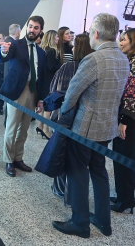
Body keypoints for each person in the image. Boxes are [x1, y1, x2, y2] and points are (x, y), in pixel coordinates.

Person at [52, 13, 129, 238]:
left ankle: (80, 223)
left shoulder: (93, 59)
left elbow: (72, 95)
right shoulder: (123, 58)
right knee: (99, 171)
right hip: (107, 127)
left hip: (84, 128)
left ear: (95, 33)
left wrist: (62, 113)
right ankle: (103, 221)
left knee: (77, 172)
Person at [0, 16, 46, 177]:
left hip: (33, 92)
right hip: (17, 91)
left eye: (36, 27)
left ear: (40, 30)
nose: (32, 30)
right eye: (30, 26)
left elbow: (43, 76)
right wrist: (3, 51)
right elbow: (4, 56)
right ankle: (8, 160)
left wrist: (41, 99)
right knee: (12, 127)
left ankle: (18, 158)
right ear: (27, 28)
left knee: (24, 128)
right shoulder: (16, 45)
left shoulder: (41, 52)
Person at [49, 34, 94, 199]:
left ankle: (60, 188)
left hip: (65, 117)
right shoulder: (92, 68)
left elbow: (54, 89)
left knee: (61, 152)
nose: (72, 48)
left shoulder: (68, 67)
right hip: (86, 120)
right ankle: (72, 192)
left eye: (75, 45)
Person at [110, 28, 135, 214]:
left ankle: (125, 200)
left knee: (122, 158)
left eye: (124, 39)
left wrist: (124, 120)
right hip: (126, 116)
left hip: (128, 119)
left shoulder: (133, 63)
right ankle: (123, 196)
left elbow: (130, 94)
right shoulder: (128, 60)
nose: (121, 42)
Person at [37, 30, 60, 139]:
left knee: (43, 104)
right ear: (52, 38)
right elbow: (51, 67)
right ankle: (46, 130)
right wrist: (61, 66)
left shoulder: (43, 49)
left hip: (44, 80)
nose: (58, 39)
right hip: (49, 81)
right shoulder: (52, 51)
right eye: (56, 37)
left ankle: (40, 126)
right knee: (48, 107)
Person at [2, 24, 21, 126]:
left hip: (7, 74)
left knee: (9, 102)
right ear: (17, 32)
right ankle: (8, 122)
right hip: (12, 75)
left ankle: (8, 121)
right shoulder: (13, 43)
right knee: (11, 102)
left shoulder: (7, 41)